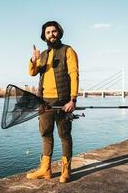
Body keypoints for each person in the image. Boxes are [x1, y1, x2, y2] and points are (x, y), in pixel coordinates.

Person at [26, 21, 79, 183]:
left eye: (54, 31)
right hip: (44, 102)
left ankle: (66, 170)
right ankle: (45, 169)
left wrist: (73, 99)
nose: (51, 34)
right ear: (44, 36)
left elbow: (74, 74)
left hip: (63, 101)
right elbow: (32, 73)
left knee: (64, 135)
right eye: (48, 32)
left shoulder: (68, 51)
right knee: (46, 134)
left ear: (59, 33)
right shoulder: (43, 55)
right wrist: (33, 60)